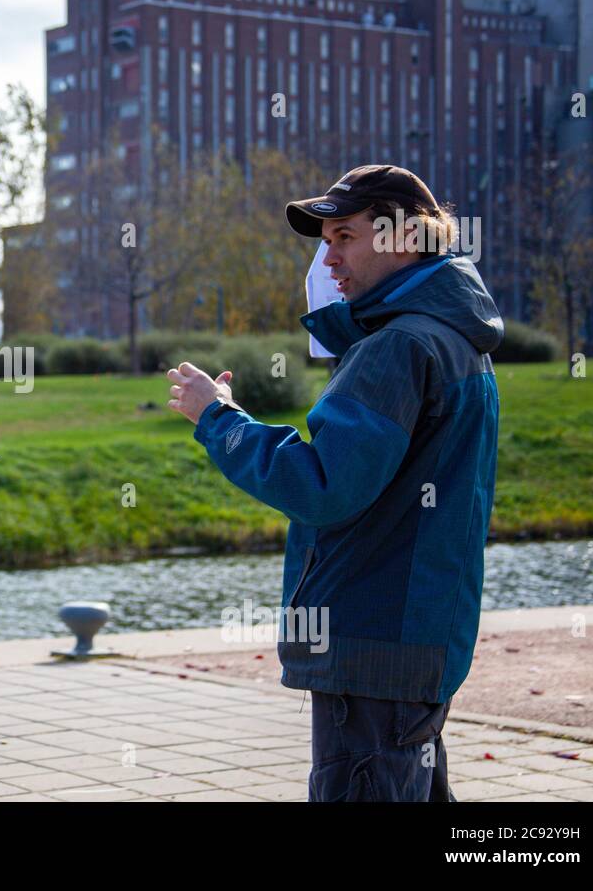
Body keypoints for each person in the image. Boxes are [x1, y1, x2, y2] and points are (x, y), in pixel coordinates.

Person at [166, 164, 503, 802]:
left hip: (373, 641)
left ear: (405, 236)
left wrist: (218, 420)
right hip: (416, 639)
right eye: (325, 241)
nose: (329, 259)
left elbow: (323, 486)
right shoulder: (454, 338)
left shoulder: (397, 347)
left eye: (344, 236)